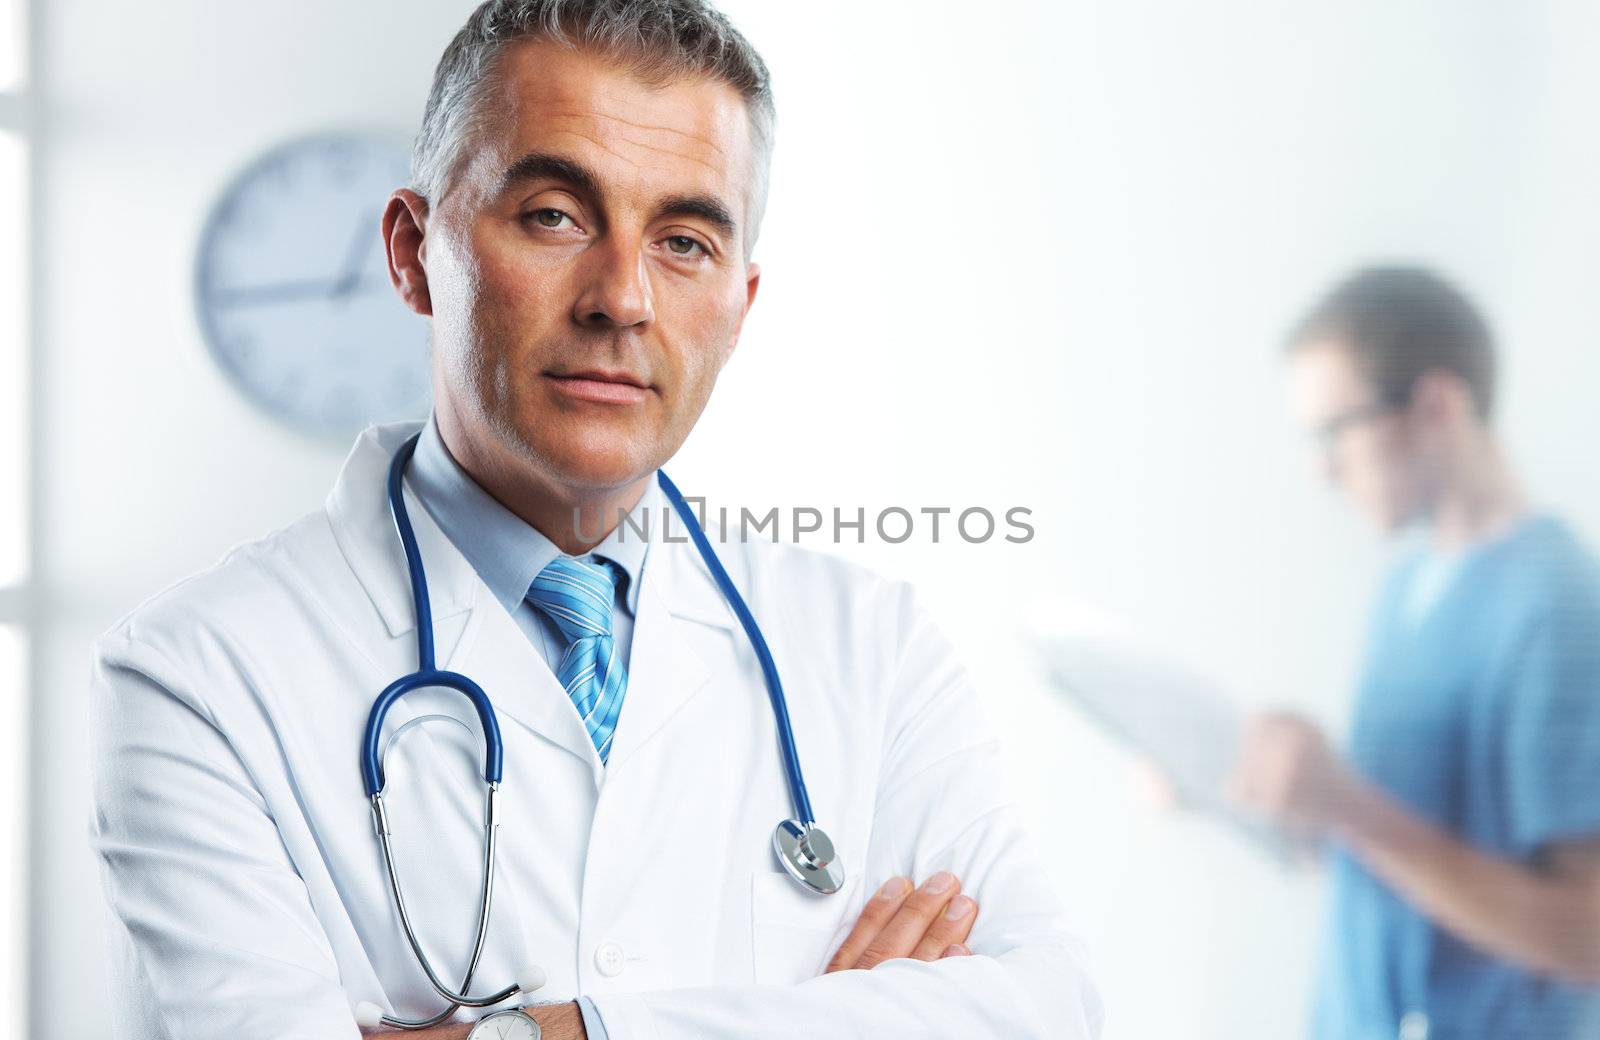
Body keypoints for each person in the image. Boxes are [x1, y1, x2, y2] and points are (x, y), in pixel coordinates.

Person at [86, 2, 1103, 1038]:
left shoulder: (870, 648)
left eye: (684, 240)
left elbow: (1047, 1007)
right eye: (554, 216)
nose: (622, 297)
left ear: (740, 304)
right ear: (411, 251)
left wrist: (555, 1031)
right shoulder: (197, 673)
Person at [1229, 266, 1600, 1038]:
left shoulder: (1556, 605)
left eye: (1337, 431)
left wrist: (1345, 805)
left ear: (1436, 405)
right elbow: (1399, 863)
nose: (1321, 469)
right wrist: (1262, 798)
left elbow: (1588, 938)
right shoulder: (1407, 588)